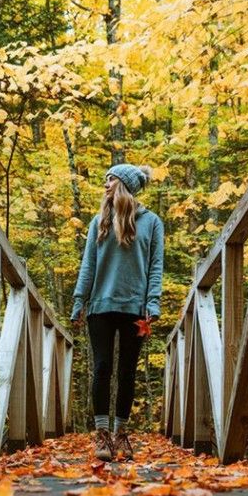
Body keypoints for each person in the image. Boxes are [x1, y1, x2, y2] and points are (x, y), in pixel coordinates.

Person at [70, 163, 165, 462]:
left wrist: (153, 303)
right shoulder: (98, 221)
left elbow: (155, 266)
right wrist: (78, 301)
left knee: (127, 371)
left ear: (123, 184)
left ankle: (121, 433)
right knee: (102, 368)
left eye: (109, 179)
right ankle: (102, 436)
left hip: (135, 309)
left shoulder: (152, 223)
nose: (105, 184)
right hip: (100, 306)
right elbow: (88, 266)